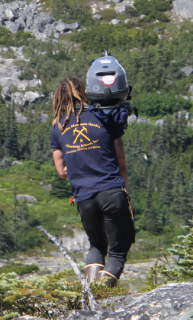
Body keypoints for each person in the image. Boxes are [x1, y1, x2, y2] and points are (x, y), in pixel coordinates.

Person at [50, 76, 134, 287]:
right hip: (111, 191)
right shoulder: (106, 117)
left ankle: (91, 294)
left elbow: (62, 172)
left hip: (84, 198)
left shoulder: (58, 127)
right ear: (86, 92)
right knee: (118, 249)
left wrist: (80, 161)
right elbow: (121, 165)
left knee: (96, 246)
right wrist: (124, 192)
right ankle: (102, 293)